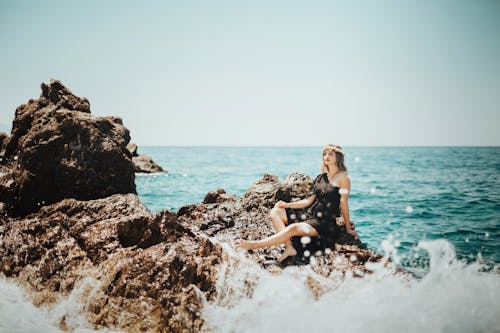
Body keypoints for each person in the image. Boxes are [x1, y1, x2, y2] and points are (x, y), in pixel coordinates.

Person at [240, 144, 359, 263]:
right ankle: (289, 247)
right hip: (309, 215)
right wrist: (287, 205)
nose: (326, 156)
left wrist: (348, 228)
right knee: (275, 212)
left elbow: (344, 204)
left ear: (338, 157)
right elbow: (308, 201)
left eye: (330, 153)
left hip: (324, 223)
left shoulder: (343, 177)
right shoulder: (320, 177)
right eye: (324, 154)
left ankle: (254, 245)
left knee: (293, 228)